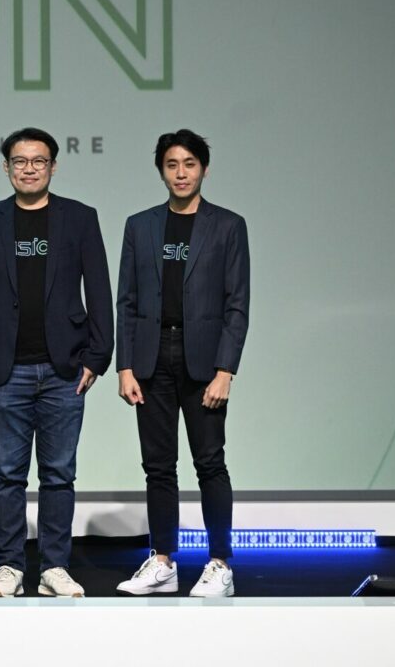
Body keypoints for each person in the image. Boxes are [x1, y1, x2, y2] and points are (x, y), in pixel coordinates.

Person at [0, 127, 113, 598]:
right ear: (6, 167)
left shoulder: (79, 218)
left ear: (53, 166)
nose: (29, 169)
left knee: (59, 474)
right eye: (20, 161)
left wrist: (97, 357)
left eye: (39, 161)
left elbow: (99, 290)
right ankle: (8, 566)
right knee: (6, 474)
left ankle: (54, 567)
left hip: (65, 368)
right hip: (4, 371)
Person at [115, 129, 249, 598]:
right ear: (161, 171)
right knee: (158, 466)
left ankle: (220, 564)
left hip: (204, 361)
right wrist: (125, 366)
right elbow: (126, 301)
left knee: (210, 463)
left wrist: (225, 371)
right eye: (172, 165)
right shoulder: (140, 226)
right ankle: (163, 562)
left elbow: (237, 304)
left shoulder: (227, 226)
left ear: (204, 169)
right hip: (151, 357)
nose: (181, 173)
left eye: (189, 164)